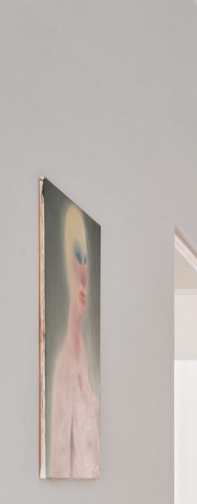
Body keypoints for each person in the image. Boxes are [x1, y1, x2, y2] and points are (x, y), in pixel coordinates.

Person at [50, 203, 100, 479]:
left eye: (86, 261)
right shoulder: (65, 365)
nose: (83, 273)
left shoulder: (85, 355)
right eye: (76, 257)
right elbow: (59, 462)